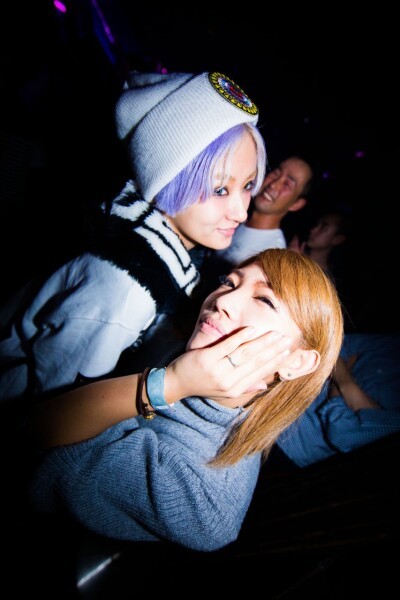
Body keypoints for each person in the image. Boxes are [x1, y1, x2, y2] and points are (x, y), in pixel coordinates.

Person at [28, 248, 344, 552]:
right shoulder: (183, 347)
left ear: (296, 362)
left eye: (264, 299)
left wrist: (170, 384)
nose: (222, 300)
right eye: (229, 282)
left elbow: (32, 434)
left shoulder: (207, 505)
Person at [0, 70, 267, 404]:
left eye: (247, 186)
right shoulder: (129, 287)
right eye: (220, 189)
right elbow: (57, 409)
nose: (241, 211)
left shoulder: (161, 249)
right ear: (166, 180)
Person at [276, 332, 400, 467]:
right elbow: (334, 345)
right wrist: (349, 391)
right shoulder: (393, 344)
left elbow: (343, 433)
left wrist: (345, 381)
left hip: (288, 442)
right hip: (277, 389)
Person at [215, 156, 313, 266]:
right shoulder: (233, 217)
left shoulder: (271, 256)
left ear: (296, 204)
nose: (273, 185)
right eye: (276, 173)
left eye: (287, 184)